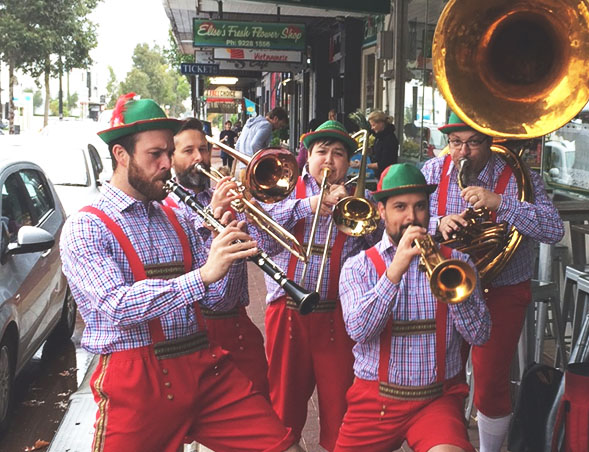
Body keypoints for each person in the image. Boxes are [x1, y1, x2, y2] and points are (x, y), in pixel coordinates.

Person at [60, 93, 301, 452]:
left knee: (284, 446)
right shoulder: (87, 226)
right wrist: (202, 275)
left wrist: (227, 244)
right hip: (136, 381)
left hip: (203, 367)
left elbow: (217, 299)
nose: (166, 164)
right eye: (154, 155)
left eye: (168, 154)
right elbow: (115, 307)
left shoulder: (177, 217)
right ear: (121, 156)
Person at [421, 111, 564, 452]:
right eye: (455, 143)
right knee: (442, 375)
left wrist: (501, 203)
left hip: (499, 290)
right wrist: (438, 223)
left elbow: (553, 228)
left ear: (489, 140)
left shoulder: (518, 176)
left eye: (472, 142)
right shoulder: (431, 171)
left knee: (489, 380)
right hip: (446, 288)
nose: (463, 152)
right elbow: (403, 218)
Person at [335, 163, 491, 452]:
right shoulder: (358, 267)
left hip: (437, 400)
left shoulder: (457, 262)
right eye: (400, 207)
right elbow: (358, 330)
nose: (412, 217)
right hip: (375, 400)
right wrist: (394, 271)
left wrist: (456, 296)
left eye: (420, 206)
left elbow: (480, 336)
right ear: (381, 211)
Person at [256, 119, 383, 451]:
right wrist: (310, 205)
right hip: (288, 312)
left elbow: (380, 245)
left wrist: (356, 212)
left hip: (336, 317)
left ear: (348, 162)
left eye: (338, 153)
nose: (329, 160)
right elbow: (261, 236)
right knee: (282, 406)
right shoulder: (283, 188)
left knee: (340, 407)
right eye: (321, 151)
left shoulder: (361, 197)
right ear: (308, 157)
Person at [167, 117, 269, 398]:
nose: (199, 157)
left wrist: (254, 211)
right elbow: (194, 267)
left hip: (238, 325)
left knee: (261, 413)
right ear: (171, 157)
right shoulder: (166, 207)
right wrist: (211, 215)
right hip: (198, 329)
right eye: (188, 151)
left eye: (203, 149)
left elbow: (269, 247)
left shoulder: (227, 195)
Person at [235, 107, 288, 172]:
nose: (279, 128)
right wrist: (262, 163)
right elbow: (255, 145)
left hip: (243, 167)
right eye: (280, 125)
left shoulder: (250, 123)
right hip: (253, 168)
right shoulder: (267, 125)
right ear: (275, 119)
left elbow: (237, 146)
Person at [367, 110, 399, 178]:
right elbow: (377, 150)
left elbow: (383, 164)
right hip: (380, 174)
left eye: (373, 125)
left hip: (387, 176)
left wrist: (364, 165)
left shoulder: (390, 139)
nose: (372, 128)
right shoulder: (379, 136)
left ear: (381, 123)